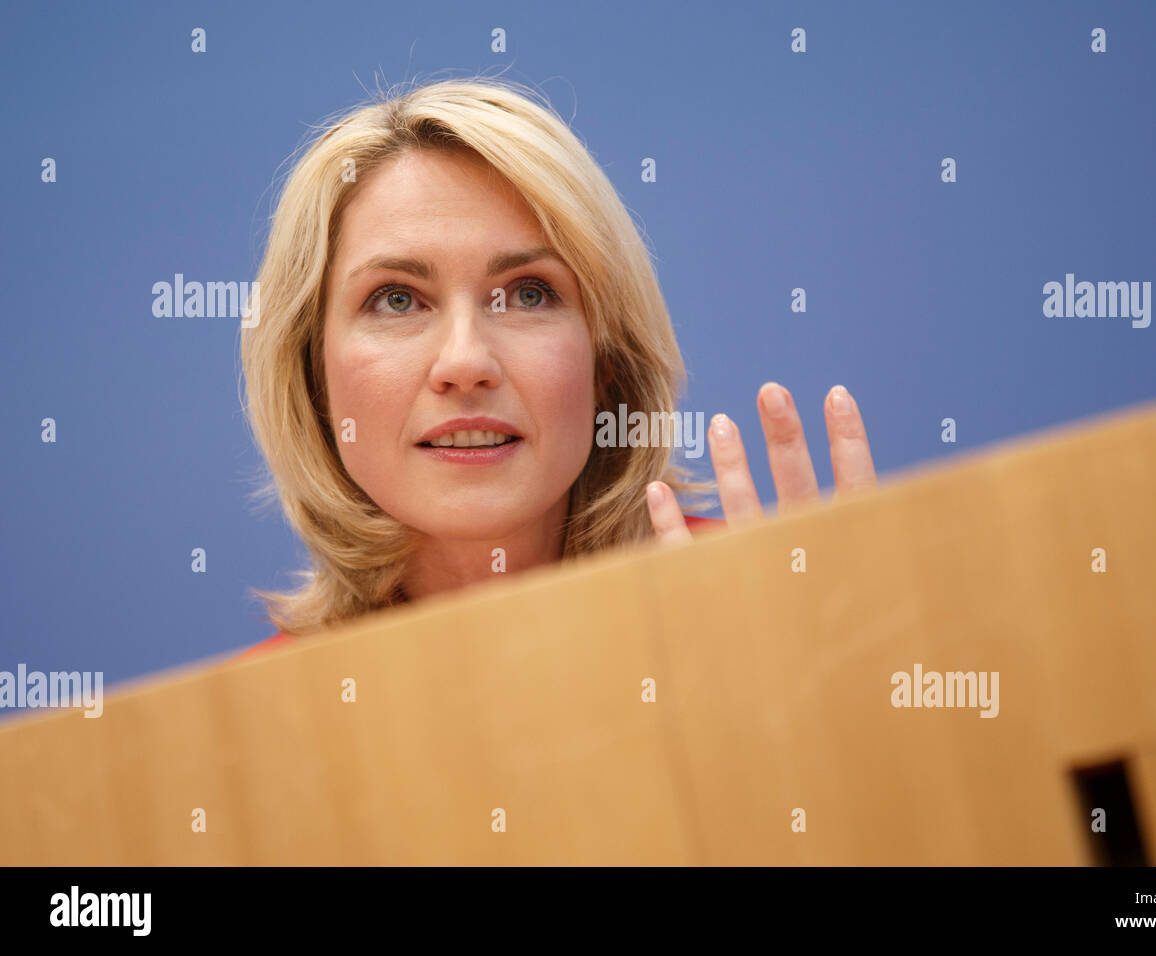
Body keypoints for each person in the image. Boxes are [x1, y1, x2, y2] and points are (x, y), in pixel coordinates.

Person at [232, 76, 875, 662]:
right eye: (397, 299)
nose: (465, 363)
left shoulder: (782, 611)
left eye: (529, 294)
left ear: (607, 365)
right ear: (311, 375)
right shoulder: (233, 736)